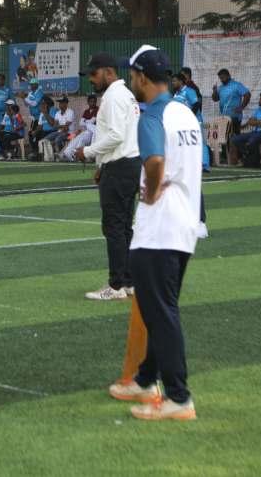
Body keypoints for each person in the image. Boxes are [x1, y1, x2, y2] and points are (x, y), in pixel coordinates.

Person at [107, 46, 202, 421]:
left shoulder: (152, 116)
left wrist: (149, 191)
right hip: (185, 224)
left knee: (160, 313)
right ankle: (145, 379)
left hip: (159, 228)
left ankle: (178, 397)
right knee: (157, 308)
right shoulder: (184, 112)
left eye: (132, 76)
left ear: (142, 78)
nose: (131, 81)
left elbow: (156, 160)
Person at [74, 52, 141, 301]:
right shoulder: (126, 95)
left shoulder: (113, 97)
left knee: (114, 227)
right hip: (129, 164)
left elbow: (115, 136)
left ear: (108, 71)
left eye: (94, 73)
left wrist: (88, 152)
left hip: (120, 167)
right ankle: (128, 282)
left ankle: (115, 286)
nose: (91, 79)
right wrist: (102, 165)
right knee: (124, 227)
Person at [171, 74, 210, 171]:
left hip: (195, 121)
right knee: (185, 142)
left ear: (181, 81)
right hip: (183, 123)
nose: (173, 83)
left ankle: (204, 165)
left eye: (174, 81)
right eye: (172, 81)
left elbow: (196, 105)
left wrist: (190, 117)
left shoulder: (189, 91)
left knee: (201, 142)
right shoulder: (176, 94)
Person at [229, 92, 261, 167]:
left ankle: (254, 159)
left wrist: (256, 122)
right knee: (234, 139)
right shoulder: (258, 110)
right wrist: (260, 121)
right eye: (260, 99)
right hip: (254, 132)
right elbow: (250, 121)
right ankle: (246, 154)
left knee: (251, 140)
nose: (259, 100)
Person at [210, 68, 251, 142]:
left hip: (234, 116)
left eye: (223, 77)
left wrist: (242, 107)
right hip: (224, 116)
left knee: (234, 138)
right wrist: (214, 91)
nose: (222, 80)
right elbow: (215, 99)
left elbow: (247, 94)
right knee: (224, 138)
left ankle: (237, 149)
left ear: (228, 76)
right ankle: (227, 149)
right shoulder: (221, 87)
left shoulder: (236, 85)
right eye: (220, 78)